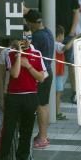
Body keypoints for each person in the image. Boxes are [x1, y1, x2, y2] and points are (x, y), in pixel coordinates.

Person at [0, 35, 47, 160]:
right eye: (22, 38)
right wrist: (19, 54)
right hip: (14, 97)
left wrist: (29, 66)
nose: (25, 40)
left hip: (31, 96)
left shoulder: (37, 54)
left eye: (28, 37)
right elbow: (14, 73)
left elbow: (41, 77)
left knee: (26, 133)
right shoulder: (9, 53)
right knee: (8, 132)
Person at [24, 10, 55, 149]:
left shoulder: (37, 37)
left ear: (31, 23)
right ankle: (43, 134)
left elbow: (31, 54)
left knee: (40, 106)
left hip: (41, 74)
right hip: (48, 72)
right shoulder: (48, 32)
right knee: (44, 105)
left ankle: (42, 137)